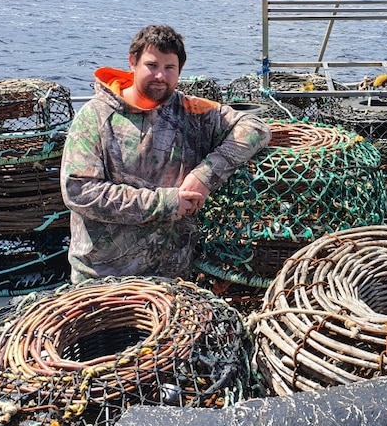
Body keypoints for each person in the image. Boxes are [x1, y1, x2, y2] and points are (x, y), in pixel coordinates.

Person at [60, 24, 271, 283]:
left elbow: (256, 128)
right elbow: (80, 191)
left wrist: (206, 175)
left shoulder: (191, 112)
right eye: (152, 65)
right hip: (102, 276)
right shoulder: (95, 116)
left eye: (169, 68)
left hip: (173, 275)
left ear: (179, 71)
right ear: (132, 63)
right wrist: (166, 203)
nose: (160, 75)